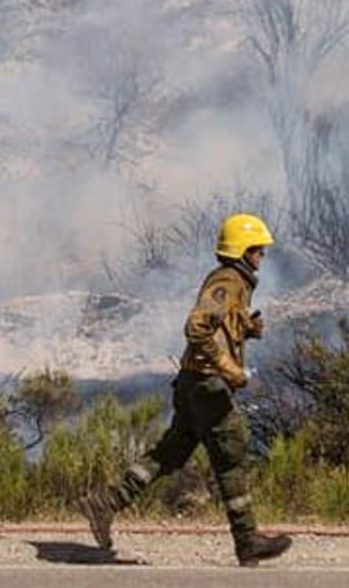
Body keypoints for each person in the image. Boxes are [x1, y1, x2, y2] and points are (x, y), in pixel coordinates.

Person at [79, 213, 294, 567]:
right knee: (231, 455)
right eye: (258, 250)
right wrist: (229, 368)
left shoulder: (234, 282)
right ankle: (247, 540)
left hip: (193, 382)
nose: (262, 256)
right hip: (208, 385)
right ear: (242, 250)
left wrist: (246, 329)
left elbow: (219, 325)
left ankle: (107, 502)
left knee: (171, 452)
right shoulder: (227, 281)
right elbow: (197, 328)